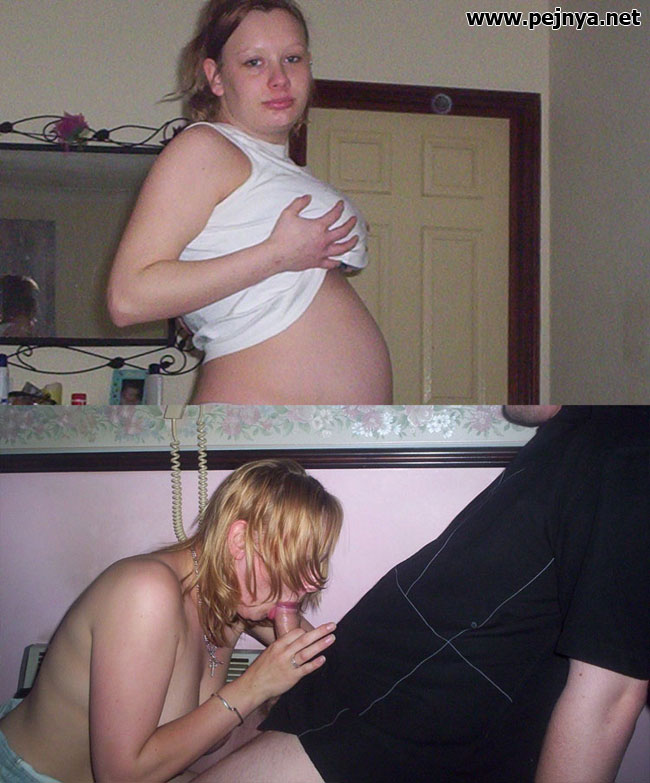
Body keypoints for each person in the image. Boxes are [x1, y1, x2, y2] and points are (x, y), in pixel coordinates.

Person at [195, 406, 650, 783]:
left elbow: (610, 693)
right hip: (348, 698)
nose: (313, 580)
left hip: (386, 731)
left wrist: (254, 685)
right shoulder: (575, 435)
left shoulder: (627, 440)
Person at [107, 0, 392, 405]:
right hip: (258, 421)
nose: (279, 79)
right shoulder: (204, 147)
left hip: (330, 432)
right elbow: (128, 299)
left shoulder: (280, 168)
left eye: (292, 58)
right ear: (216, 77)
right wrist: (276, 255)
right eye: (254, 62)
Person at [0, 459, 342, 782]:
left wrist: (286, 611)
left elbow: (326, 668)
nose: (312, 582)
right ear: (240, 541)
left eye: (316, 560)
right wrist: (254, 687)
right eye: (297, 561)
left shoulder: (233, 602)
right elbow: (119, 777)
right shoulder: (145, 593)